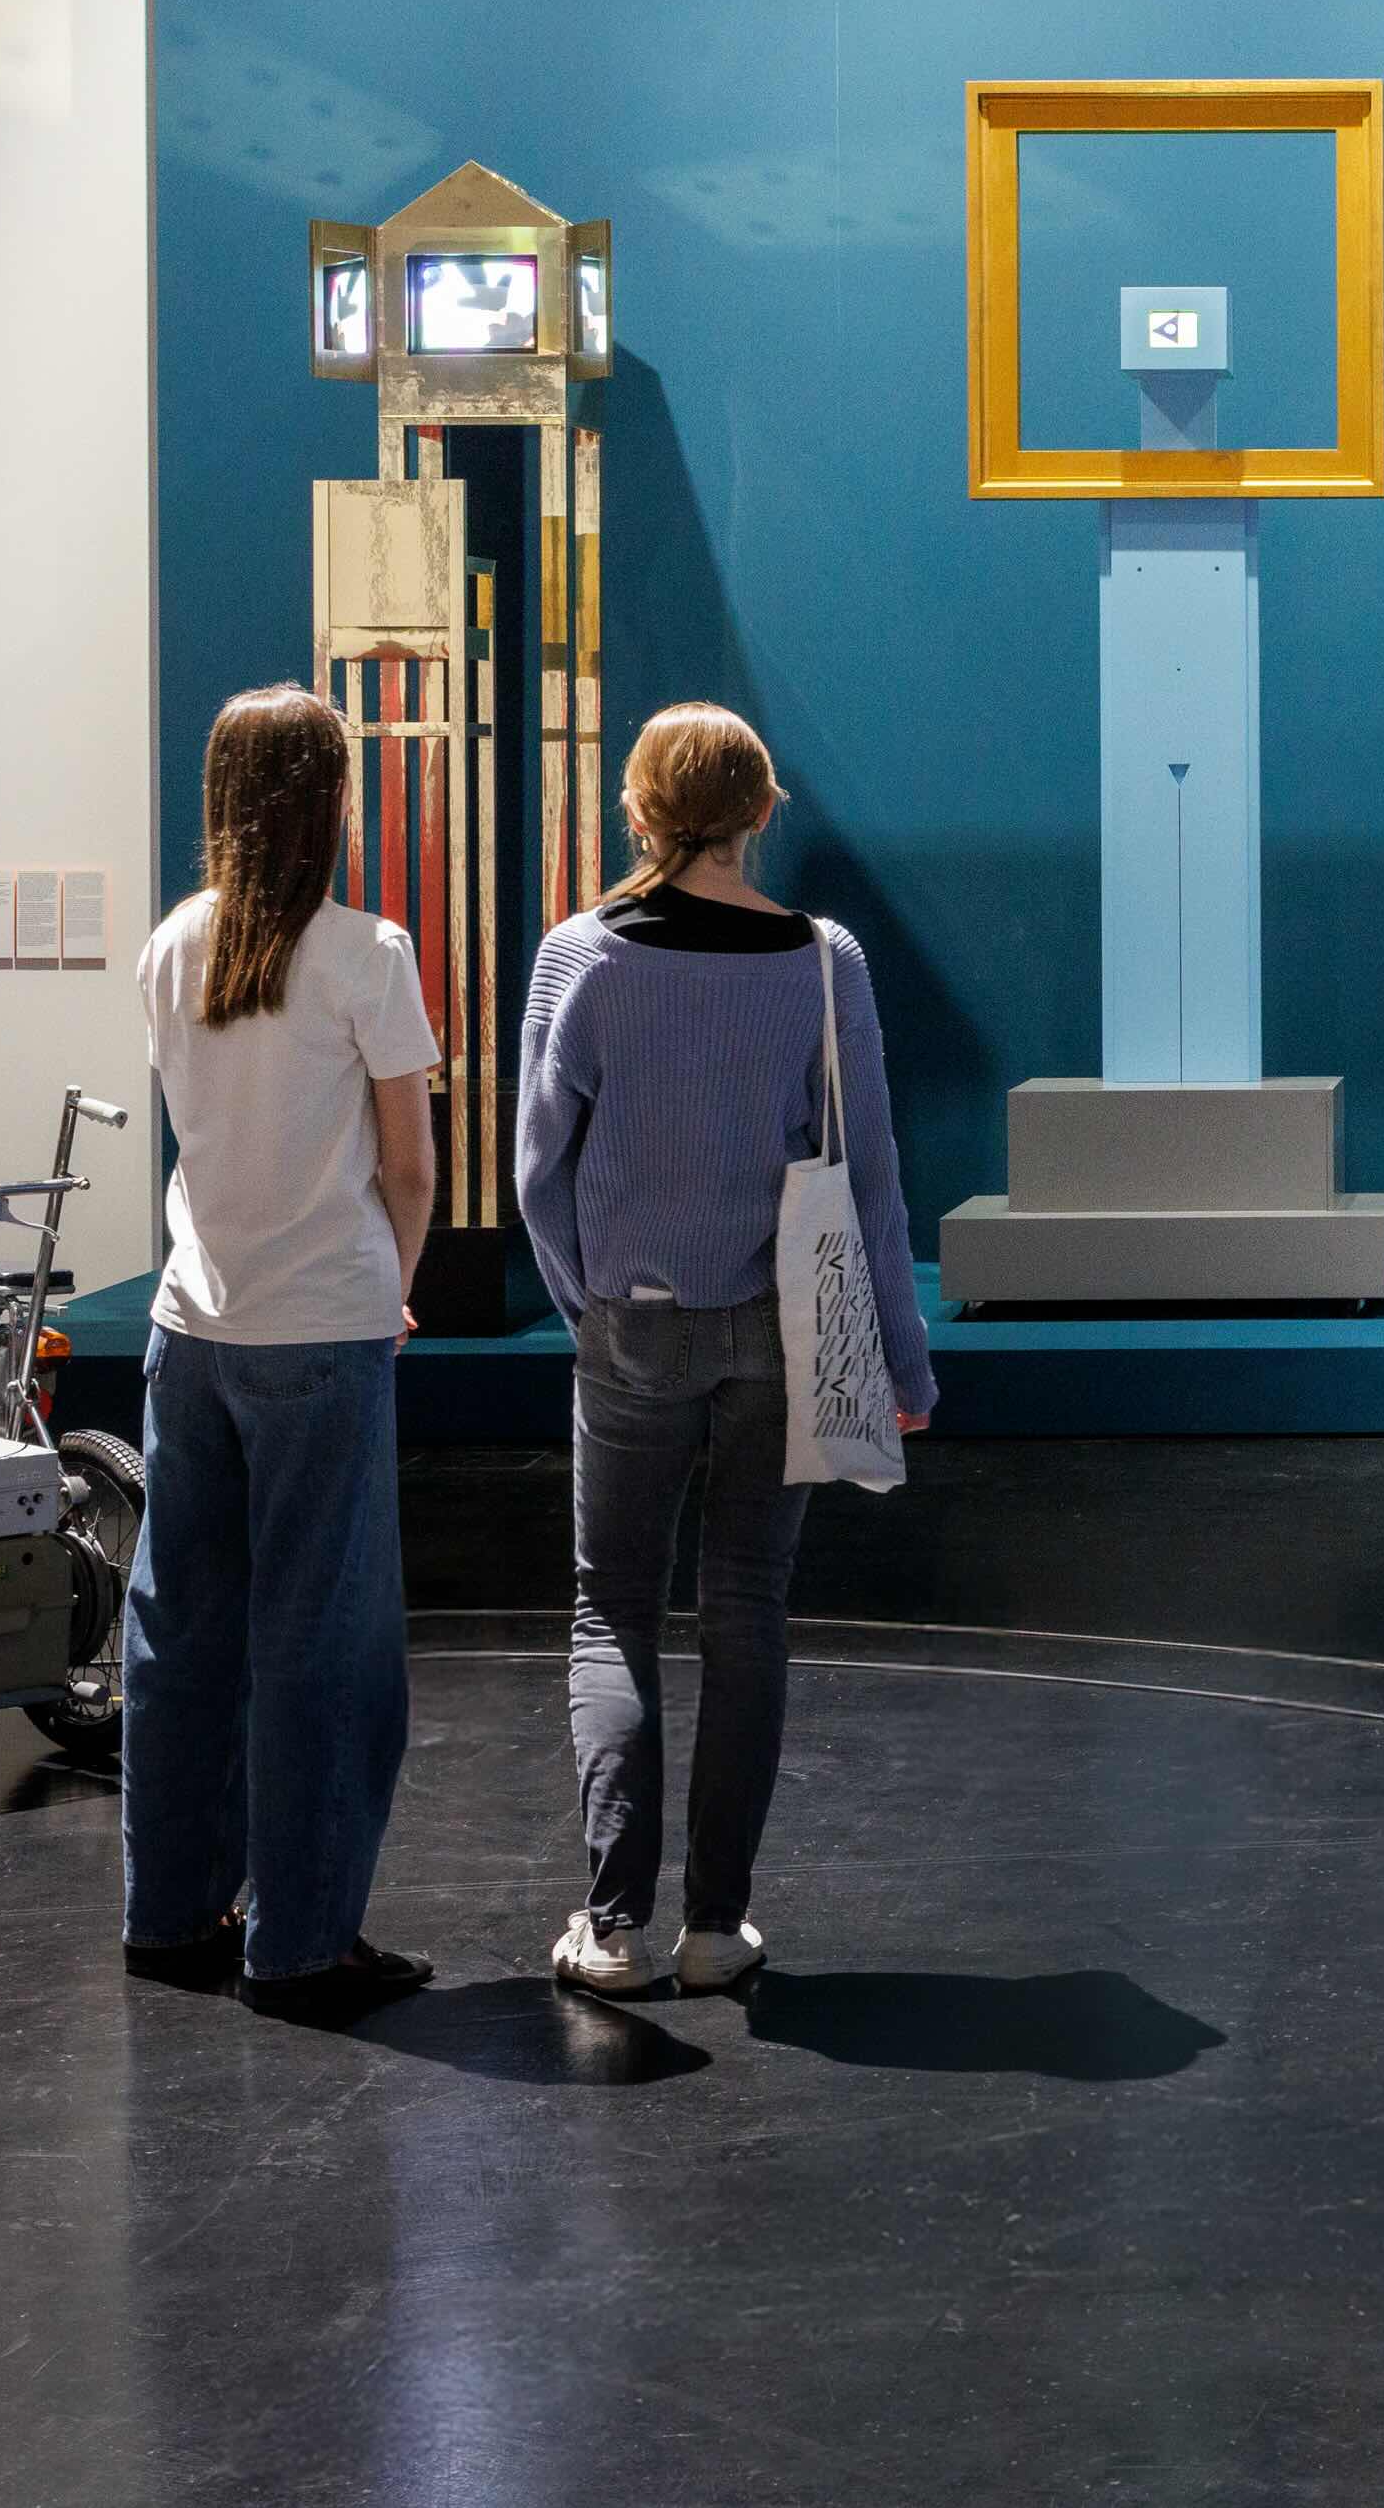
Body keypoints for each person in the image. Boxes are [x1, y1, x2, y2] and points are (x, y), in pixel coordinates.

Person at [516, 702, 935, 2000]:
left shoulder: (579, 957)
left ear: (638, 812)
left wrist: (587, 1300)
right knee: (748, 1603)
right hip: (783, 1325)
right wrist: (905, 1363)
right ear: (761, 810)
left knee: (613, 1607)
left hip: (629, 1320)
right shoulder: (823, 958)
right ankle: (717, 1925)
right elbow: (870, 1175)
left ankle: (613, 1928)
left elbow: (536, 1172)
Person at [120, 683, 444, 2025]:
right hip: (322, 1330)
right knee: (323, 1640)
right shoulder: (369, 952)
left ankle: (170, 1910)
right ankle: (301, 1938)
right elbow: (410, 1166)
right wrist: (396, 1288)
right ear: (332, 800)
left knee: (178, 1628)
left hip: (192, 1327)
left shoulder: (171, 945)